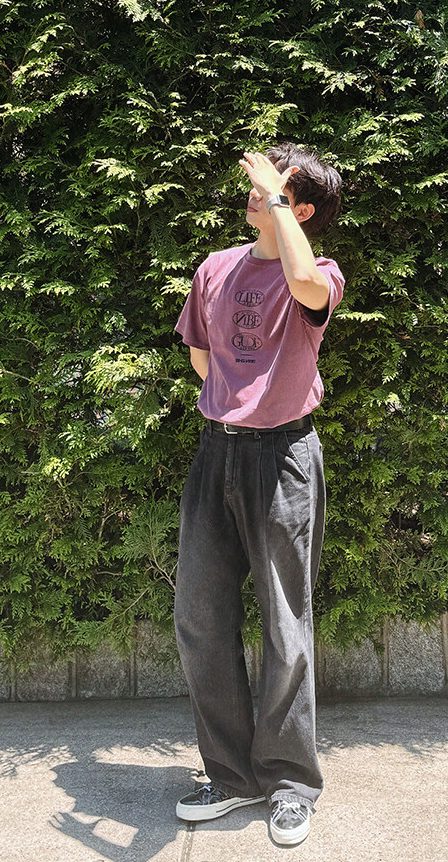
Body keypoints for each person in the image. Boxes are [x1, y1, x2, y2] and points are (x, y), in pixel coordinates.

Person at [172, 143, 345, 847]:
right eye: (261, 180)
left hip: (284, 457)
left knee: (285, 626)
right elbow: (201, 354)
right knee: (200, 618)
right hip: (217, 451)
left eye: (280, 186)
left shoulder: (322, 273)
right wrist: (236, 401)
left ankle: (290, 784)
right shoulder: (215, 267)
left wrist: (275, 198)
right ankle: (232, 776)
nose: (260, 189)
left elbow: (302, 280)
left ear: (301, 208)